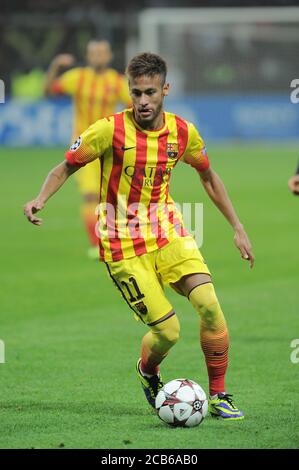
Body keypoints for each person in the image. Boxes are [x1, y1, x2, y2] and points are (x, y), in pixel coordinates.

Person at [25, 52, 254, 420]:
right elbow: (65, 166)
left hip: (167, 231)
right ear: (128, 92)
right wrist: (40, 198)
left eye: (150, 92)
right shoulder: (108, 129)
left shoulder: (182, 132)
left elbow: (208, 176)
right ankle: (148, 370)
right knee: (169, 333)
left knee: (210, 305)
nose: (143, 101)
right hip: (121, 243)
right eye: (136, 93)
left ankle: (219, 395)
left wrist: (237, 227)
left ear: (165, 89)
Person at [45, 39, 131, 258]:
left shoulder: (117, 81)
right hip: (83, 144)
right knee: (90, 195)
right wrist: (55, 65)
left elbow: (134, 107)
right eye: (94, 53)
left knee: (115, 196)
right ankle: (97, 245)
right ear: (88, 55)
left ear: (109, 55)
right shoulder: (77, 77)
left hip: (110, 145)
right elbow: (49, 90)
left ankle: (117, 239)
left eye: (102, 52)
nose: (98, 56)